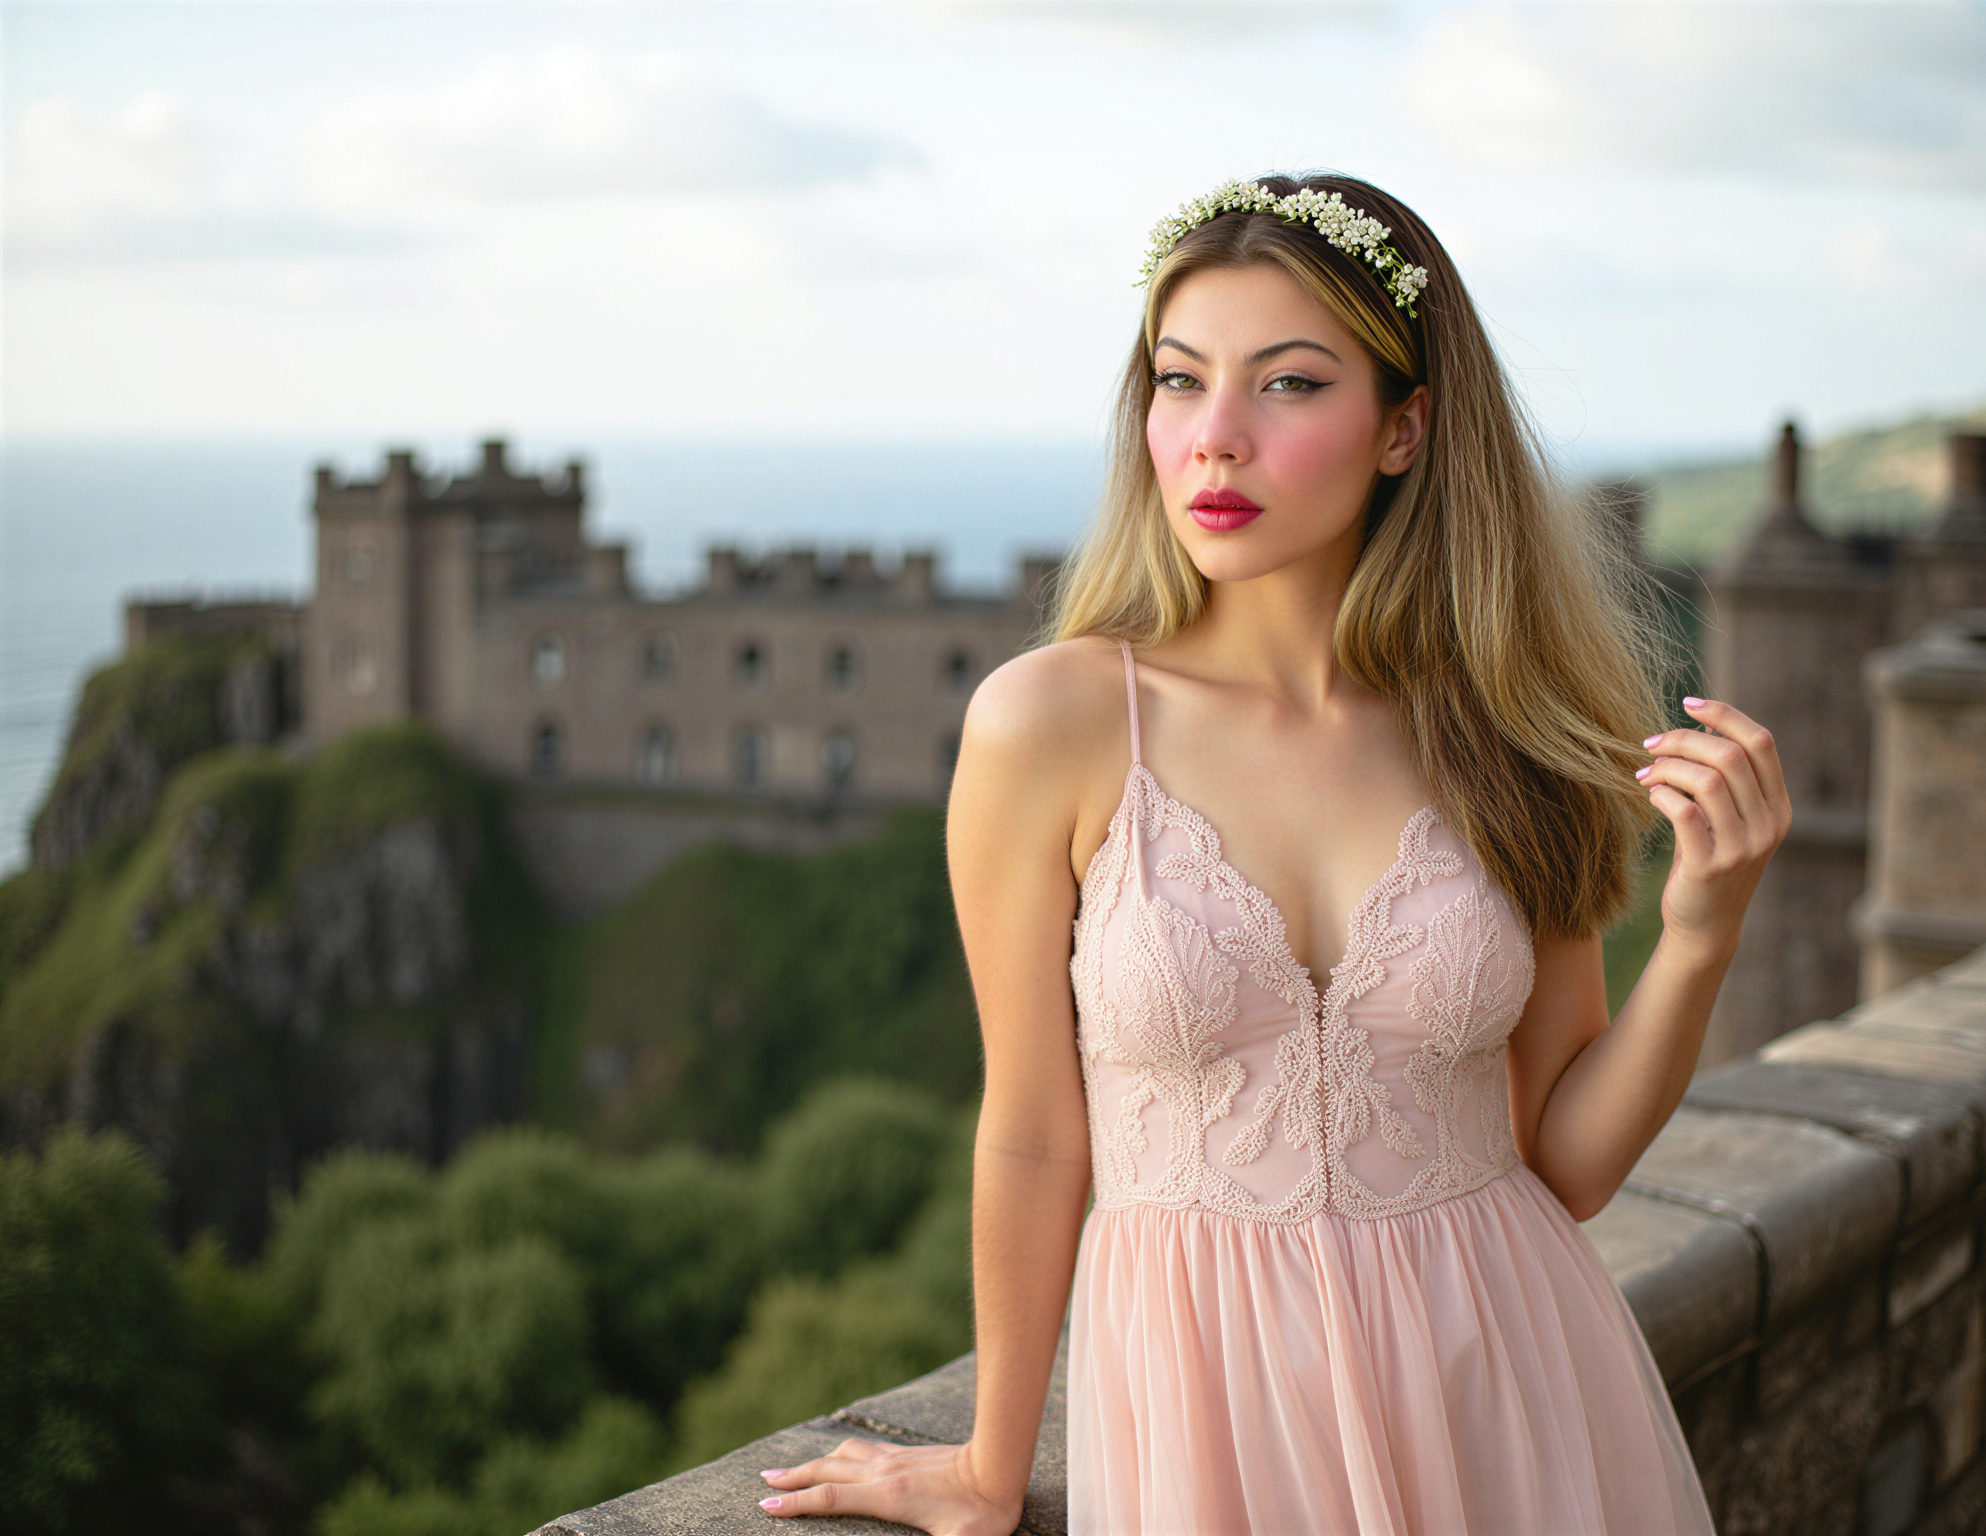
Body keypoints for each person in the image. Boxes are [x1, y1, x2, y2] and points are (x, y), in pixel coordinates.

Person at [756, 173, 1786, 1535]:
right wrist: (990, 1465)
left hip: (1505, 1375)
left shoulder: (1505, 732)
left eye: (1289, 385)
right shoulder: (1053, 722)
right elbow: (1034, 1131)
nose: (1215, 440)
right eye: (1180, 382)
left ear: (1406, 427)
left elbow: (1572, 1162)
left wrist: (1702, 933)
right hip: (1204, 1414)